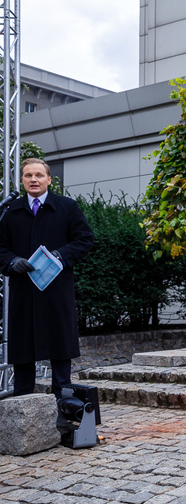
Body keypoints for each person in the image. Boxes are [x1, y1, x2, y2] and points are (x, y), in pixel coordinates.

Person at [0, 158, 94, 399]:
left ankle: (64, 407)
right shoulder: (10, 211)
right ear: (22, 180)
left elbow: (85, 239)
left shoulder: (67, 207)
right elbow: (1, 247)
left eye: (39, 175)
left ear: (49, 180)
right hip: (23, 292)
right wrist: (12, 261)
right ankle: (22, 407)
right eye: (28, 175)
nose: (33, 179)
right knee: (23, 353)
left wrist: (60, 255)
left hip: (56, 291)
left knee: (60, 351)